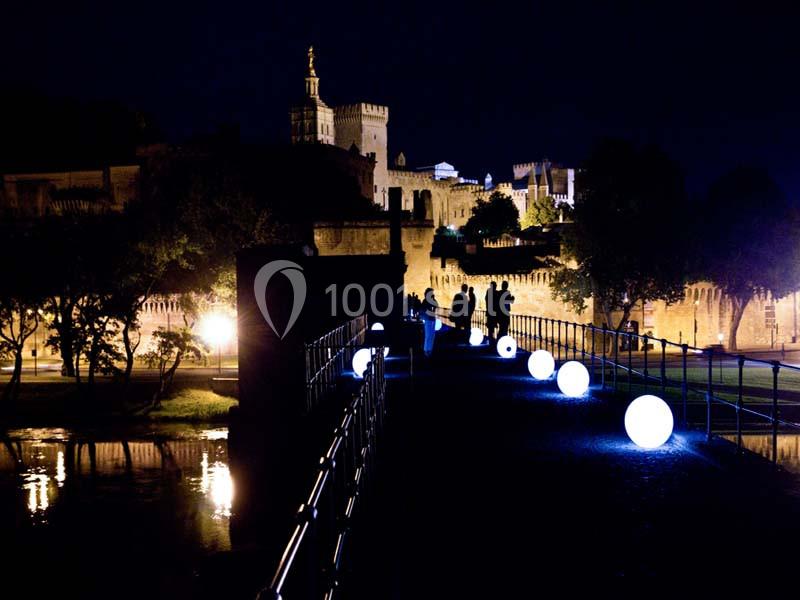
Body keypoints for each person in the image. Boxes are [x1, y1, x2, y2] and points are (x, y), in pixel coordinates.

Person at [420, 288, 439, 357]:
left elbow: (437, 305)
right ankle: (426, 350)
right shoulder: (425, 301)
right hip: (428, 319)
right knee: (428, 335)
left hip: (432, 319)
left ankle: (430, 350)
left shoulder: (432, 300)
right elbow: (424, 309)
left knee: (432, 335)